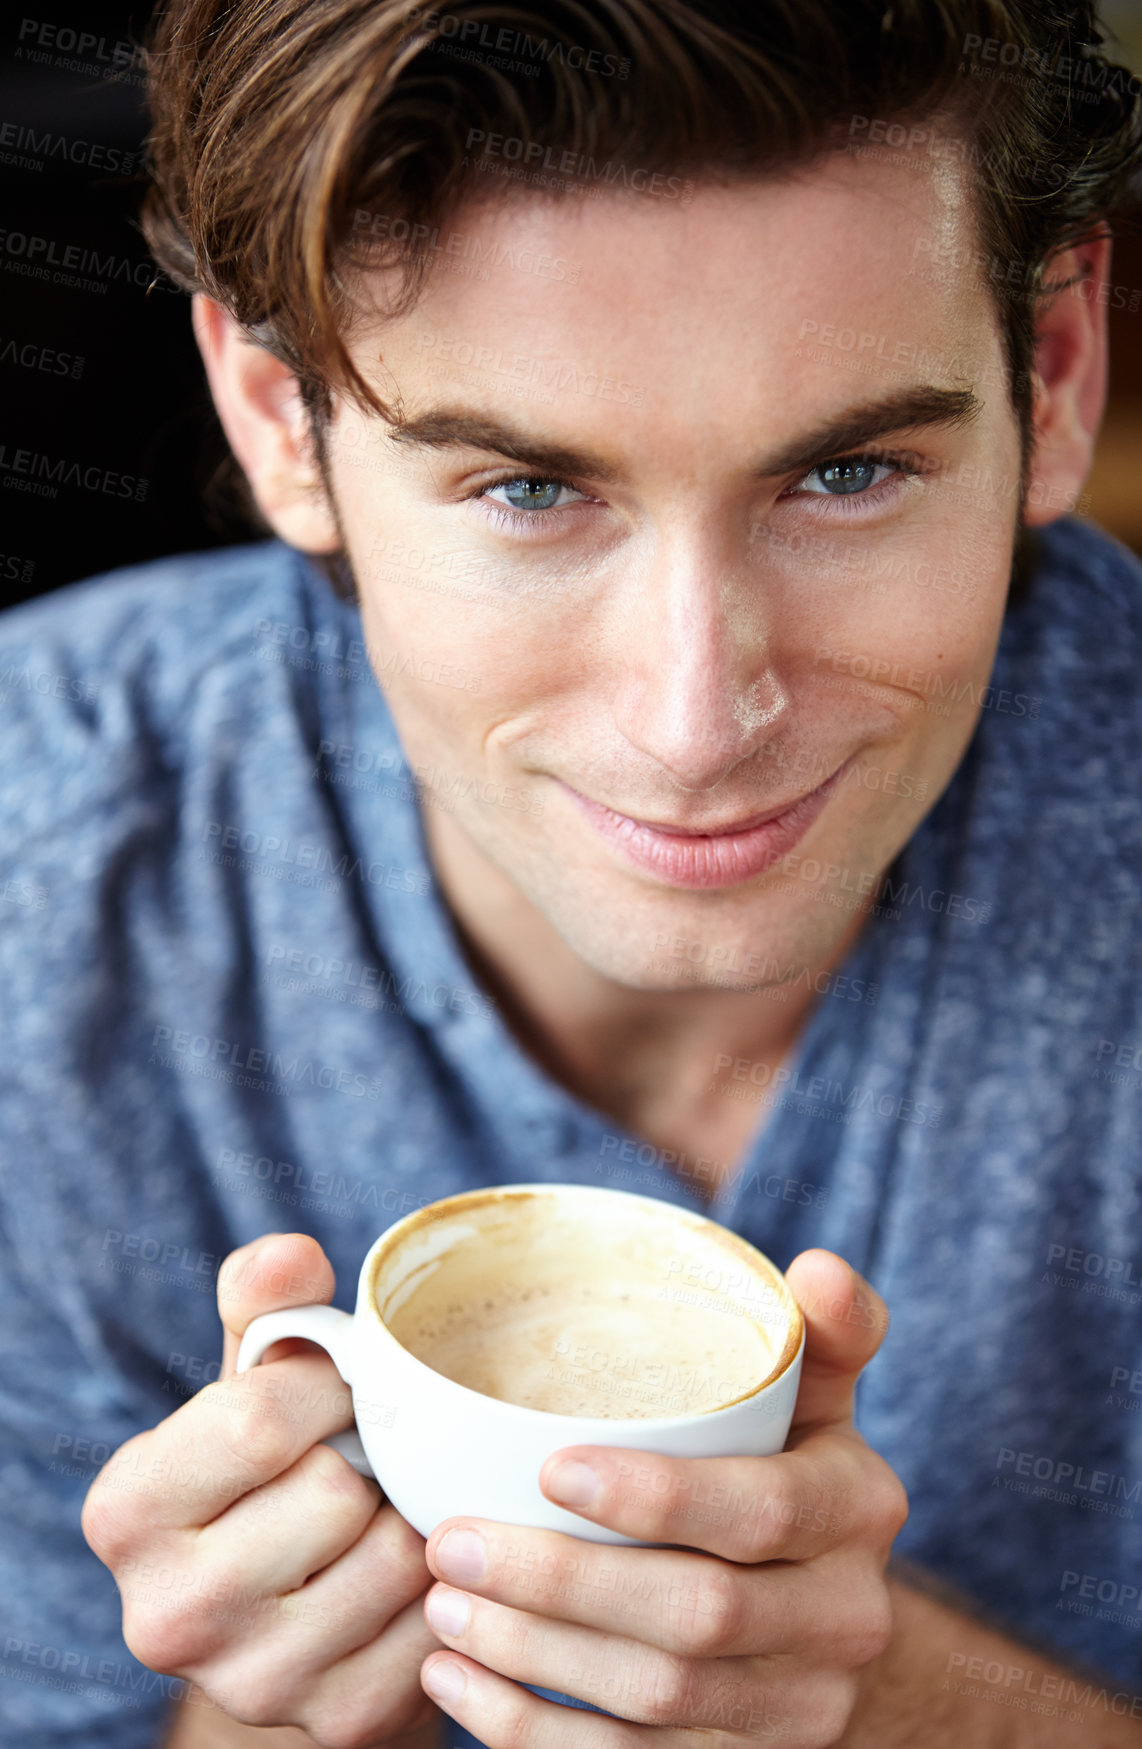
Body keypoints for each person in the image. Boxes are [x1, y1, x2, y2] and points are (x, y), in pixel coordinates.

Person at [1, 0, 1141, 1743]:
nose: (698, 718)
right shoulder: (37, 869)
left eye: (847, 472)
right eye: (531, 488)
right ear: (275, 418)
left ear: (1053, 371)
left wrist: (892, 1702)